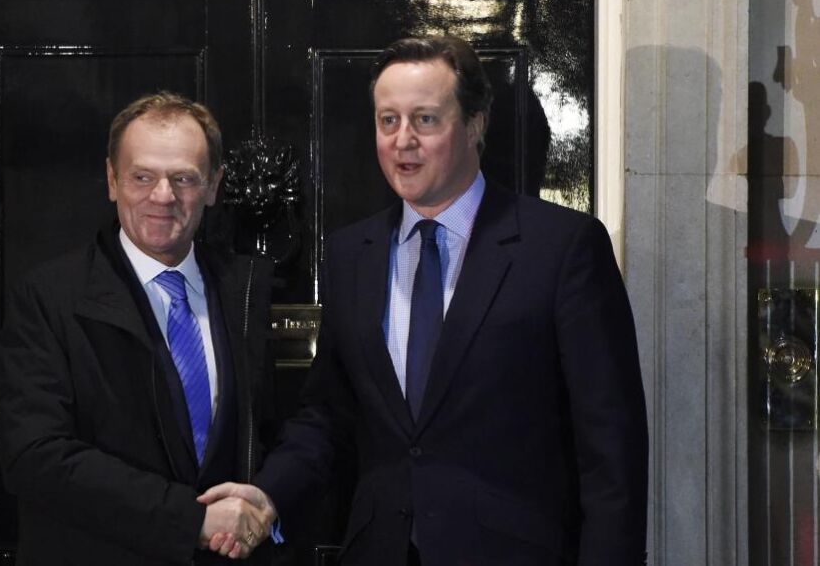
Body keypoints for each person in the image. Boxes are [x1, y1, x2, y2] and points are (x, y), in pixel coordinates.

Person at [201, 35, 649, 565]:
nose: (402, 141)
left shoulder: (562, 247)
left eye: (426, 120)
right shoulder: (350, 254)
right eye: (388, 120)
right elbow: (328, 415)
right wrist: (268, 495)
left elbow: (611, 448)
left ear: (475, 124)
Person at [0, 92, 277, 565]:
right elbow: (34, 456)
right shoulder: (48, 298)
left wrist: (266, 503)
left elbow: (280, 432)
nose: (163, 196)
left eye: (183, 178)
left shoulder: (245, 292)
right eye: (142, 177)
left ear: (213, 185)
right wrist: (190, 520)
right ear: (112, 180)